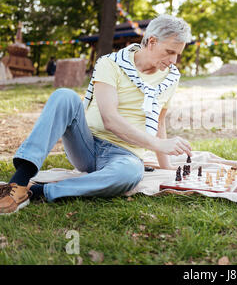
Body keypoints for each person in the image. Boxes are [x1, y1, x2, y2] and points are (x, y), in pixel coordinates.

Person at [0, 14, 193, 215]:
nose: (173, 60)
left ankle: (39, 191)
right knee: (64, 96)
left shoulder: (171, 78)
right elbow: (109, 119)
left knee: (130, 173)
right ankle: (18, 182)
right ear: (152, 41)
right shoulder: (110, 63)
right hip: (87, 145)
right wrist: (157, 144)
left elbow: (159, 121)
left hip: (125, 155)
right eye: (169, 52)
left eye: (177, 54)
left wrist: (166, 164)